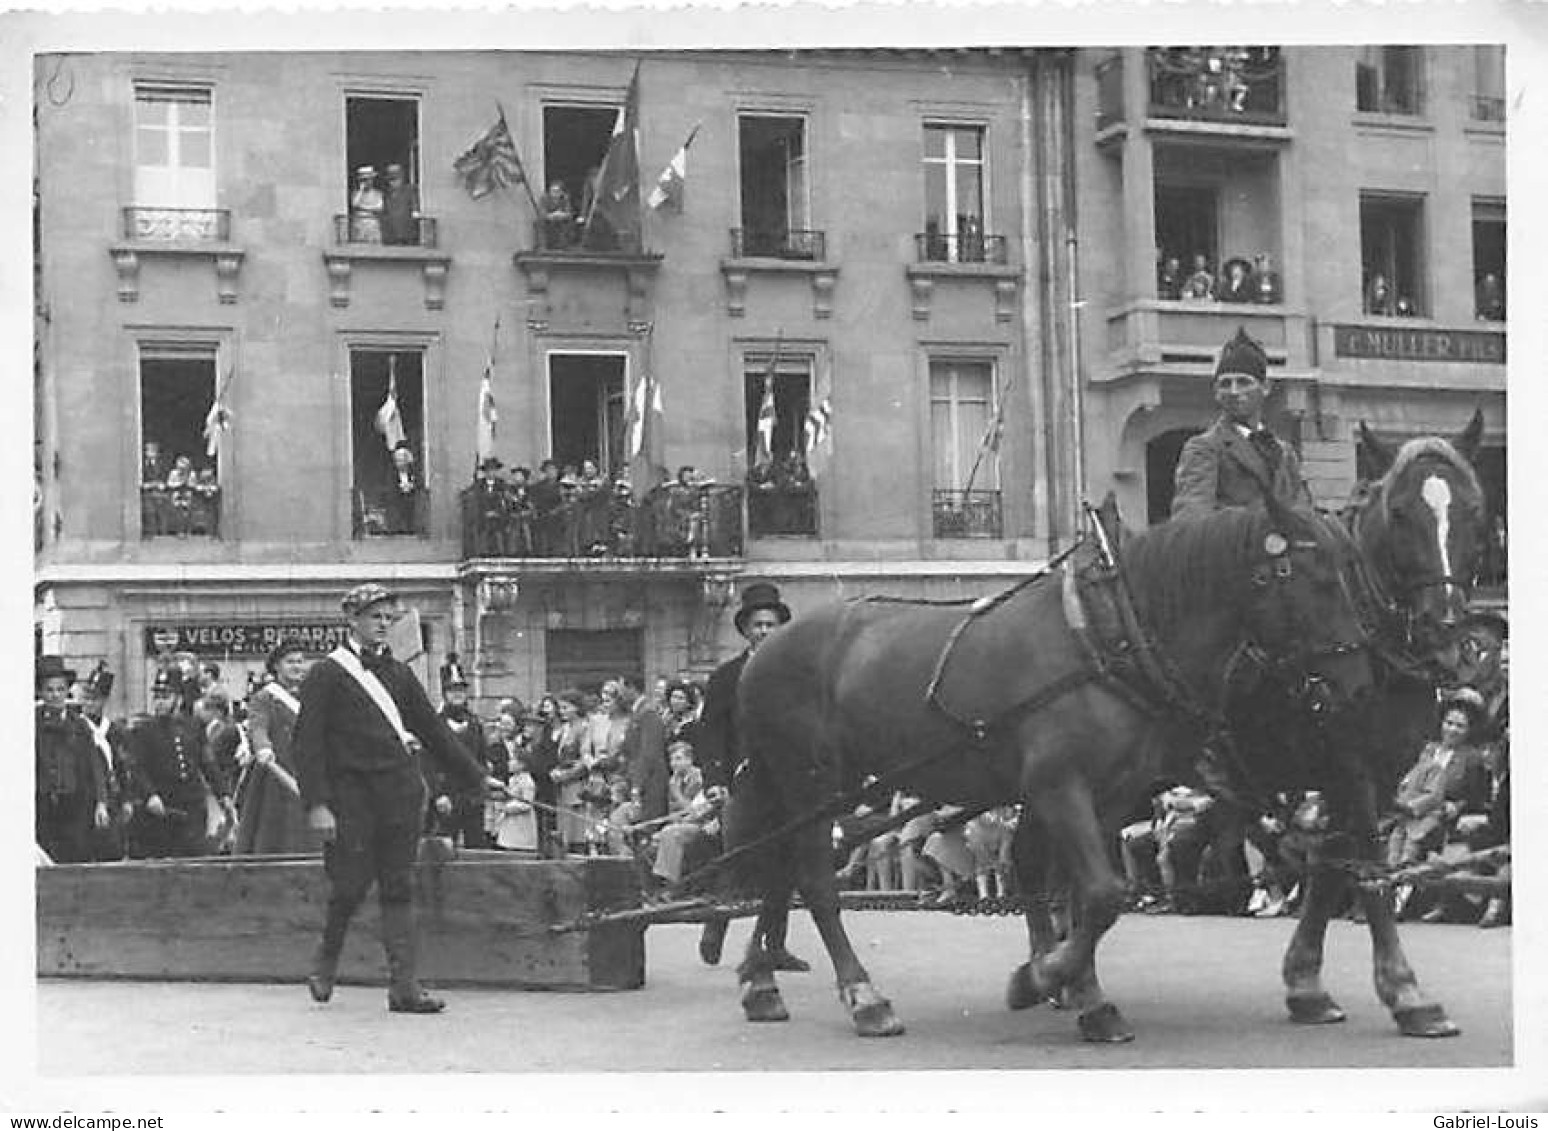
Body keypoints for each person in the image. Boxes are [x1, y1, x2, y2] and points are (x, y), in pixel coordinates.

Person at [292, 583, 500, 1014]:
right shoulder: (327, 674)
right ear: (352, 619)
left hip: (399, 795)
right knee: (349, 885)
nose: (383, 625)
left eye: (388, 618)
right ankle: (326, 962)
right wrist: (317, 804)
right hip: (351, 797)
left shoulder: (400, 675)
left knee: (399, 887)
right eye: (374, 617)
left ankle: (404, 987)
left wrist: (477, 777)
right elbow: (306, 744)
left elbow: (433, 731)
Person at [693, 582, 809, 973]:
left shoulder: (797, 676)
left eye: (771, 624)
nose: (764, 631)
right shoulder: (727, 677)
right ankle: (716, 925)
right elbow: (709, 732)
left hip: (789, 784)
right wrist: (714, 778)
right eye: (757, 624)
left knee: (788, 863)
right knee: (736, 857)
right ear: (745, 630)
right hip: (743, 783)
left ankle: (772, 945)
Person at [1171, 327, 1312, 518]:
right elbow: (1192, 521)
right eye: (1225, 384)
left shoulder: (1285, 453)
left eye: (1244, 382)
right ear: (1216, 393)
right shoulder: (1204, 448)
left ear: (1265, 388)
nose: (1234, 391)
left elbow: (1304, 512)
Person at [127, 667, 232, 859]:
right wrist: (149, 795)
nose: (159, 702)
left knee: (195, 859)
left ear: (179, 698)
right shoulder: (143, 731)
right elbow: (136, 768)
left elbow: (208, 764)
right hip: (161, 809)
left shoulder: (193, 727)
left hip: (192, 808)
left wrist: (223, 794)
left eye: (165, 696)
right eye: (157, 696)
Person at [1386, 688, 1491, 874]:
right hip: (1415, 808)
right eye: (1449, 723)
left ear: (1469, 730)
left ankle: (1407, 864)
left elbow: (1478, 798)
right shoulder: (1429, 750)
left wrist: (1457, 806)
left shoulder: (1472, 758)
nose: (1452, 730)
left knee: (1419, 833)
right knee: (1397, 832)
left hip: (1444, 817)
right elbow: (1414, 778)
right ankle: (1390, 867)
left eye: (1460, 726)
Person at [233, 636, 313, 855]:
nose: (297, 667)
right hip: (276, 775)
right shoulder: (264, 698)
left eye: (300, 661)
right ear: (277, 666)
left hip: (308, 774)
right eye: (290, 662)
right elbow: (258, 726)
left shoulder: (312, 696)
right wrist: (263, 747)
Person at [35, 655, 109, 864]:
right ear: (41, 692)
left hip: (75, 807)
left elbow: (95, 766)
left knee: (76, 861)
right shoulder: (32, 723)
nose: (55, 695)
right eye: (49, 690)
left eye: (60, 689)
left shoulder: (80, 725)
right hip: (44, 808)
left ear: (67, 690)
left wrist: (101, 802)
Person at [430, 656, 488, 849]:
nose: (458, 694)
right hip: (447, 797)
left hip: (473, 797)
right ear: (445, 694)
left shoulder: (475, 724)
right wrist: (438, 795)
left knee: (477, 848)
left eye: (461, 690)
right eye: (452, 690)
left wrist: (485, 782)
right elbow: (428, 764)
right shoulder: (435, 725)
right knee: (444, 850)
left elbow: (481, 759)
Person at [77, 663, 133, 861]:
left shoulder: (114, 731)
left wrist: (127, 798)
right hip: (86, 798)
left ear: (104, 701)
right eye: (87, 698)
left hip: (113, 798)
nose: (89, 703)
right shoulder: (78, 728)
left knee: (113, 850)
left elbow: (123, 766)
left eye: (95, 699)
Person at [618, 672, 669, 825]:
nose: (619, 693)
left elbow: (649, 753)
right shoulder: (637, 712)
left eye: (621, 688)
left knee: (646, 828)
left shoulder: (648, 713)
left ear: (631, 688)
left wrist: (637, 785)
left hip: (651, 781)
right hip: (637, 777)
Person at [379, 163, 420, 246]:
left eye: (395, 179)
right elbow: (384, 208)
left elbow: (414, 201)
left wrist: (415, 211)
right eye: (391, 180)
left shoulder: (409, 189)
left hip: (406, 222)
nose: (393, 183)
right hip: (391, 225)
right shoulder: (387, 193)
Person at [349, 165, 383, 243]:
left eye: (368, 179)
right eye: (363, 180)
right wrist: (361, 190)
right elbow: (354, 204)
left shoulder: (378, 193)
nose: (367, 182)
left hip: (372, 225)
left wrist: (362, 208)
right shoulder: (356, 193)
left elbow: (379, 208)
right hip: (359, 225)